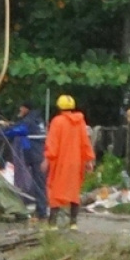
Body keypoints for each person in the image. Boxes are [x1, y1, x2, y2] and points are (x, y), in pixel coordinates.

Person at [44, 93, 95, 225]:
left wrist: (47, 159)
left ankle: (52, 224)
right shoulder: (80, 122)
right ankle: (73, 223)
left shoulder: (57, 121)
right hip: (76, 162)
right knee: (74, 192)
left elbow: (52, 143)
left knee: (55, 191)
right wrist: (89, 160)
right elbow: (85, 142)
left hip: (60, 163)